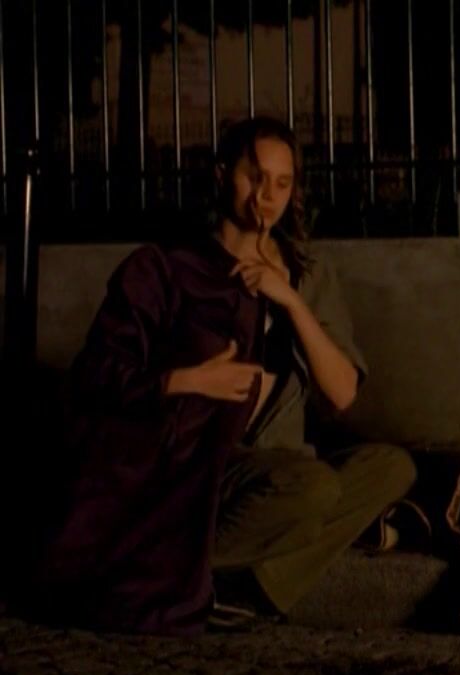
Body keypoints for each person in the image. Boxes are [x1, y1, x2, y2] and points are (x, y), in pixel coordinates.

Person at [25, 116, 415, 635]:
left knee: (390, 467)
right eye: (255, 177)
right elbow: (95, 375)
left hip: (277, 463)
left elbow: (342, 392)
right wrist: (185, 380)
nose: (267, 196)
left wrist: (290, 302)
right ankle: (162, 564)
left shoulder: (308, 275)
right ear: (222, 174)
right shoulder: (171, 267)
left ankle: (235, 584)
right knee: (315, 489)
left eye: (282, 183)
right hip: (198, 461)